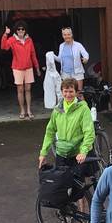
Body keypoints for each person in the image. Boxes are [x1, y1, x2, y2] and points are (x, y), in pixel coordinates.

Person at [39, 78, 96, 213]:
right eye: (65, 91)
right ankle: (67, 212)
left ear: (76, 92)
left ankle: (83, 214)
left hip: (77, 154)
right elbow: (50, 132)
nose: (68, 95)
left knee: (79, 187)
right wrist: (43, 153)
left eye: (71, 91)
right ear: (62, 92)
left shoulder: (83, 108)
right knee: (62, 185)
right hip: (62, 153)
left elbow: (89, 132)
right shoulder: (57, 110)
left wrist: (83, 151)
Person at [1, 21, 40, 119]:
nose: (21, 31)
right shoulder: (12, 39)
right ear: (16, 30)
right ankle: (22, 110)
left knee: (28, 89)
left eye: (22, 29)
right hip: (17, 68)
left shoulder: (29, 40)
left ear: (25, 30)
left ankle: (29, 110)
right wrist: (5, 34)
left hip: (29, 68)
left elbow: (33, 55)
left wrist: (37, 68)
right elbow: (4, 47)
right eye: (19, 29)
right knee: (20, 89)